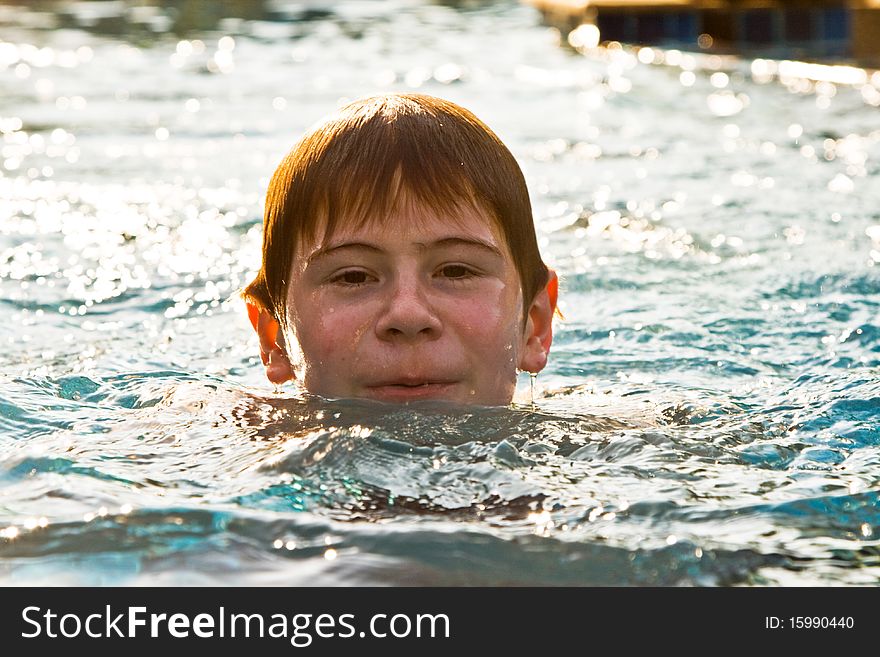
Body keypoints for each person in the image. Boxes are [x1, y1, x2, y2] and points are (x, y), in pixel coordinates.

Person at [242, 93, 557, 406]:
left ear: (534, 324)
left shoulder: (590, 444)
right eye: (353, 277)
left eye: (455, 271)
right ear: (274, 337)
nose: (408, 315)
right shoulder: (228, 442)